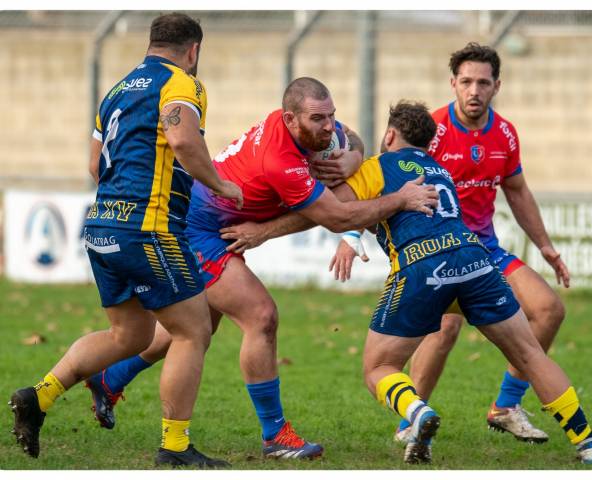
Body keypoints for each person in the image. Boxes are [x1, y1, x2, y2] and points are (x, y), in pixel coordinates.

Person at [83, 77, 440, 460]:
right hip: (200, 230)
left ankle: (109, 378)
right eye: (319, 119)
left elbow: (350, 140)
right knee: (261, 317)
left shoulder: (310, 128)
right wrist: (399, 199)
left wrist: (352, 157)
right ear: (290, 119)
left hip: (210, 225)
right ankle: (275, 435)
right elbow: (333, 217)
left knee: (193, 328)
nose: (329, 126)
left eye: (331, 116)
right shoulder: (280, 160)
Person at [8, 13, 243, 468]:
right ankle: (175, 448)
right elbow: (182, 138)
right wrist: (220, 184)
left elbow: (96, 166)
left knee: (129, 334)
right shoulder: (181, 84)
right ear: (193, 50)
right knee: (192, 330)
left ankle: (37, 398)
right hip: (147, 227)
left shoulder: (117, 90)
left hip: (102, 226)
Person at [332, 100, 592, 464]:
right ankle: (588, 444)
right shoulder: (441, 171)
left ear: (389, 134)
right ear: (429, 142)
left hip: (422, 265)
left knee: (378, 367)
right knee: (528, 352)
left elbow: (337, 208)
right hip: (475, 259)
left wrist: (339, 169)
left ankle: (416, 413)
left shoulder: (377, 167)